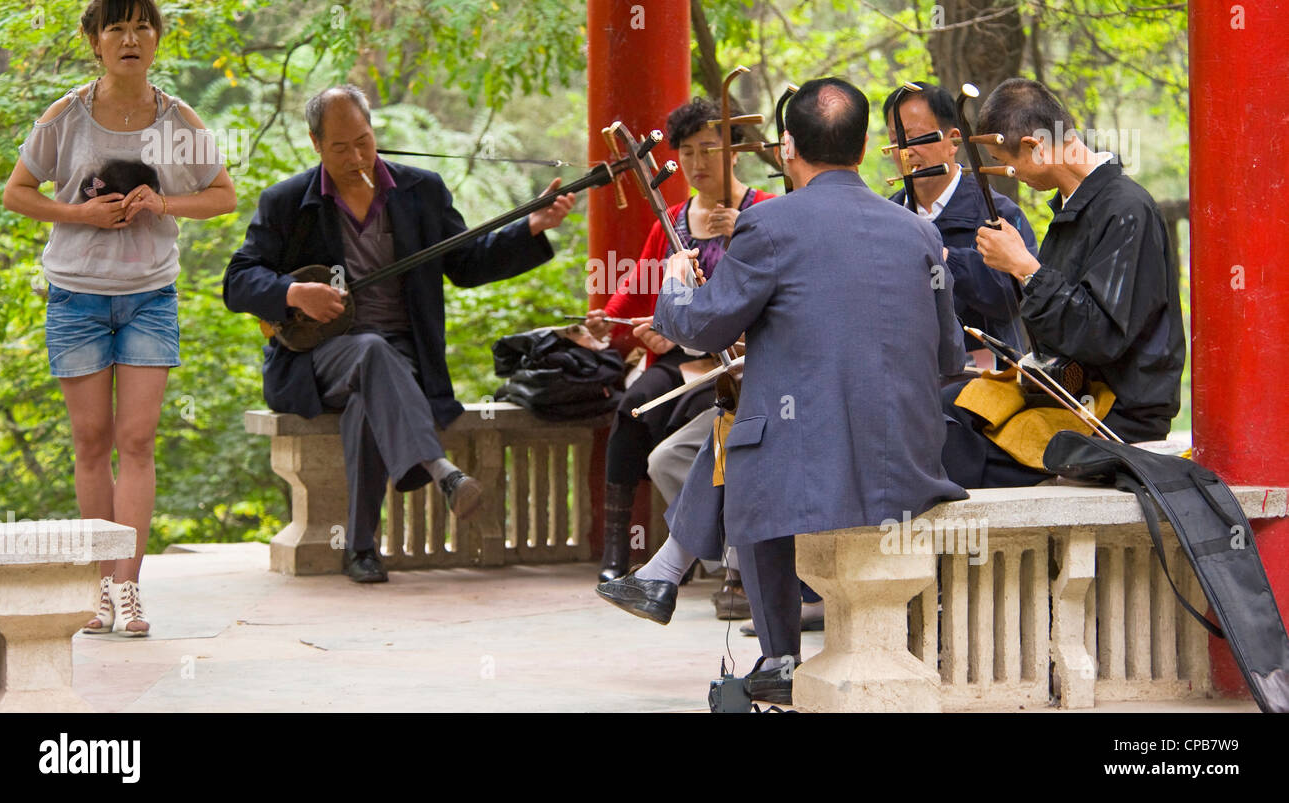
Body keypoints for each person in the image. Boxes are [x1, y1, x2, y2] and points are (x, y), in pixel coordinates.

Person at [597, 77, 968, 703]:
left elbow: (699, 325)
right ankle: (673, 582)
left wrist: (677, 281)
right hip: (911, 456)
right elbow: (948, 356)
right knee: (753, 434)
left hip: (818, 465)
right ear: (864, 145)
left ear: (788, 146)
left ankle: (777, 653)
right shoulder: (918, 232)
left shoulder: (768, 226)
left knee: (747, 448)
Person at [222, 85, 573, 583]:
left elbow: (466, 263)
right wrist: (294, 293)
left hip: (402, 359)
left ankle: (360, 548)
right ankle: (441, 472)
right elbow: (237, 281)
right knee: (368, 350)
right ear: (315, 144)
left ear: (374, 132)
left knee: (372, 384)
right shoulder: (287, 203)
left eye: (364, 141)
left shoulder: (421, 192)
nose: (357, 156)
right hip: (315, 360)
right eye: (341, 147)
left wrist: (532, 227)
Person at [2, 0, 237, 636]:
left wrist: (164, 203)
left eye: (142, 27)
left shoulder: (178, 122)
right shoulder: (66, 117)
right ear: (94, 41)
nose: (130, 39)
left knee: (136, 440)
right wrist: (78, 213)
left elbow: (222, 195)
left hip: (149, 297)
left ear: (158, 39)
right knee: (91, 441)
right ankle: (98, 585)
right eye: (116, 29)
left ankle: (129, 587)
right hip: (75, 295)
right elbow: (16, 193)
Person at [939, 78, 1186, 489]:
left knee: (955, 438)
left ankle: (964, 549)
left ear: (1036, 147)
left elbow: (1101, 337)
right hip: (1069, 392)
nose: (1010, 174)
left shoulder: (1126, 210)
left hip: (1116, 411)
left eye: (1007, 161)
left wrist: (1027, 270)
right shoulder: (1075, 211)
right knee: (946, 406)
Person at [583, 97, 775, 585]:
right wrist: (609, 320)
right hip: (681, 361)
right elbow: (633, 294)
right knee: (634, 408)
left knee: (704, 433)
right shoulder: (671, 220)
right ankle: (617, 549)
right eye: (686, 152)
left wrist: (745, 233)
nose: (696, 163)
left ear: (735, 150)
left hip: (739, 365)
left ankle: (706, 559)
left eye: (709, 149)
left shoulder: (766, 211)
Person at [884, 81, 1038, 368]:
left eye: (915, 139)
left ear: (953, 140)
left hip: (988, 383)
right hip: (911, 380)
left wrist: (948, 260)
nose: (905, 152)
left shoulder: (996, 212)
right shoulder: (887, 217)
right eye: (896, 140)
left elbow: (1016, 297)